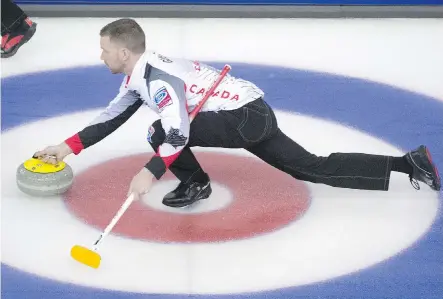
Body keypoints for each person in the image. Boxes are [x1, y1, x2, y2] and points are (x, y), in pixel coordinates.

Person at [33, 18, 441, 208]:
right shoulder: (140, 75)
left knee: (161, 130)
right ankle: (409, 163)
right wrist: (68, 147)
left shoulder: (157, 80)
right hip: (253, 112)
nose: (100, 55)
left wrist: (150, 172)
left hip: (243, 117)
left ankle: (195, 185)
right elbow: (112, 114)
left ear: (123, 52)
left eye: (103, 49)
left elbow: (176, 134)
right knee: (309, 167)